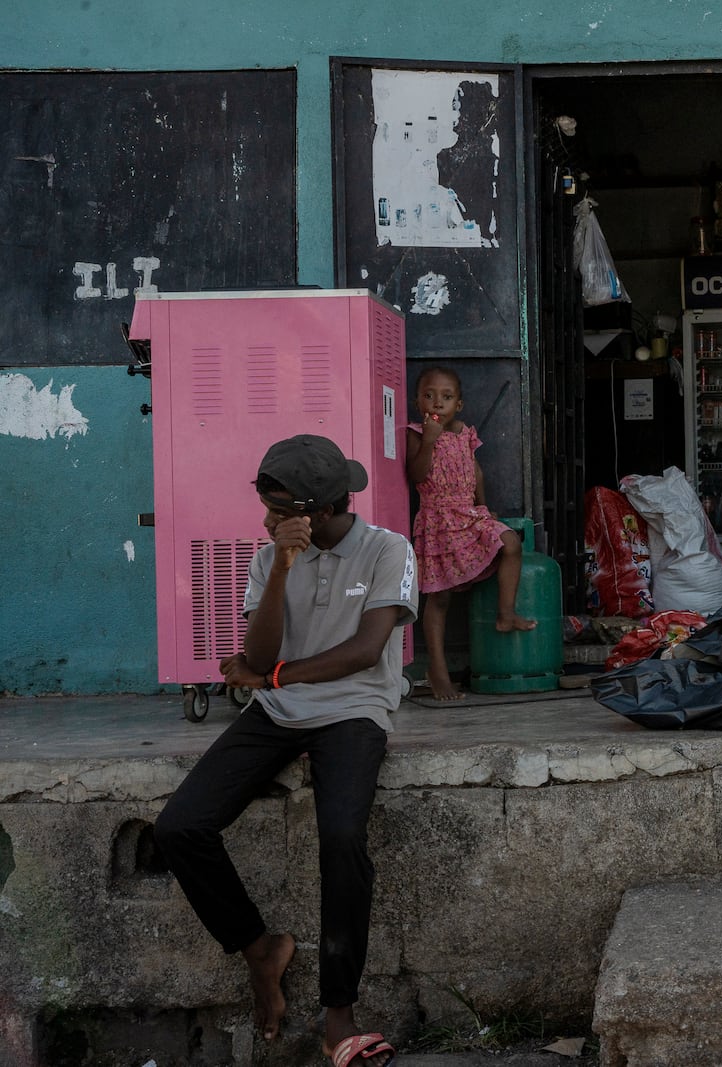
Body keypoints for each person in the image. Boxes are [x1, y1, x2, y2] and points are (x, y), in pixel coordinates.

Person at [154, 434, 417, 1066]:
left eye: (278, 512)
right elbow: (262, 654)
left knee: (343, 838)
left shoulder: (389, 550)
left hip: (355, 710)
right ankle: (259, 948)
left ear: (318, 512)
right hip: (280, 712)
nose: (266, 521)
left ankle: (339, 1015)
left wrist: (269, 678)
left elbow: (363, 651)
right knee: (180, 827)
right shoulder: (271, 556)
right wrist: (280, 566)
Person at [407, 366, 536, 701]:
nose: (437, 402)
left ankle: (505, 615)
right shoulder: (416, 433)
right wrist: (429, 442)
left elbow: (475, 471)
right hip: (437, 520)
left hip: (467, 513)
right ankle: (436, 669)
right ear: (416, 400)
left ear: (459, 405)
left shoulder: (466, 432)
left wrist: (484, 506)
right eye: (429, 395)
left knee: (510, 542)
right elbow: (417, 475)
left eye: (446, 397)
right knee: (440, 597)